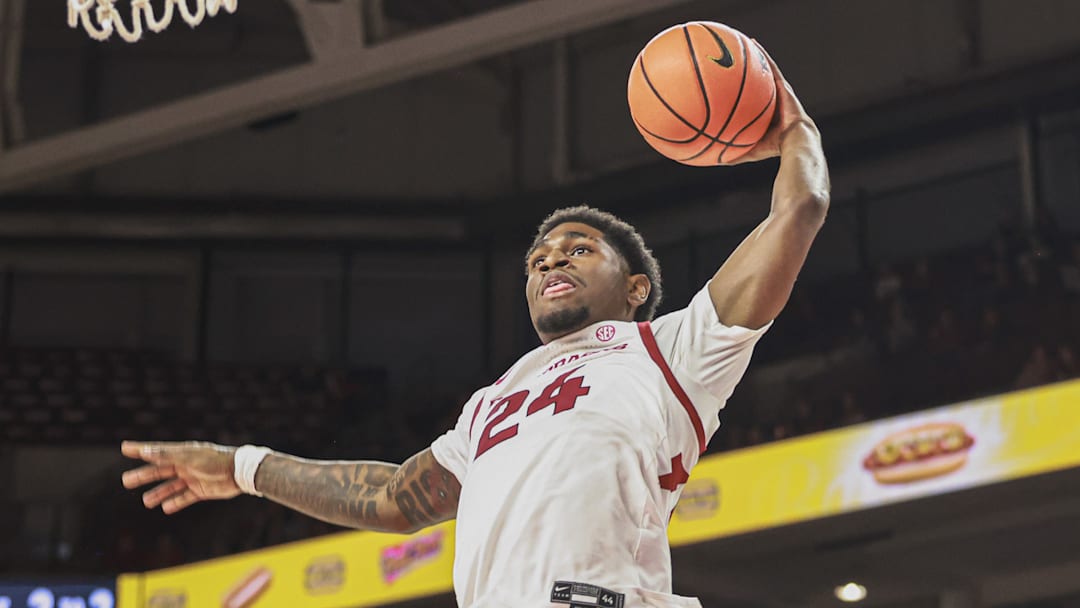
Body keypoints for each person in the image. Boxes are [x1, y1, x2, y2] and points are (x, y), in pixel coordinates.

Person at [121, 47, 829, 608]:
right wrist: (244, 467)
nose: (552, 259)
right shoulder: (493, 399)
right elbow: (399, 497)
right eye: (538, 257)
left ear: (636, 287)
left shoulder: (673, 348)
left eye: (579, 248)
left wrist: (793, 122)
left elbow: (797, 211)